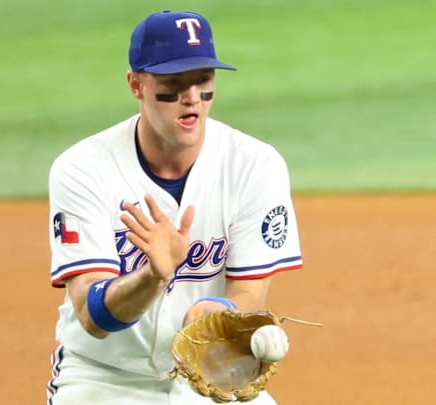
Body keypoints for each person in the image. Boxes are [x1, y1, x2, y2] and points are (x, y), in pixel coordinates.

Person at [46, 10, 303, 405]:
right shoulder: (84, 169)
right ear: (136, 85)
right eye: (174, 83)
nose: (192, 98)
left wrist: (211, 312)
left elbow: (249, 292)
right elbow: (92, 317)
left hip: (211, 370)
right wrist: (152, 276)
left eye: (203, 81)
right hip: (105, 378)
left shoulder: (254, 164)